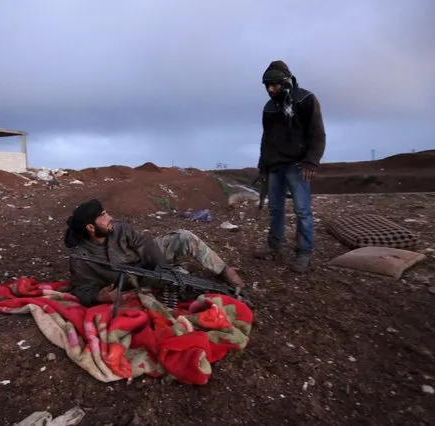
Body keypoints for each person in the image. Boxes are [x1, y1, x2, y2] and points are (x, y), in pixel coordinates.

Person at [64, 199, 246, 307]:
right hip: (132, 279)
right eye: (103, 216)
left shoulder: (119, 229)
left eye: (106, 213)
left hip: (148, 263)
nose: (109, 217)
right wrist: (98, 297)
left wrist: (163, 270)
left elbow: (145, 244)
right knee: (183, 282)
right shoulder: (81, 259)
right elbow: (82, 289)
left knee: (183, 236)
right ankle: (224, 294)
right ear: (90, 227)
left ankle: (224, 270)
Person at [254, 60, 326, 272]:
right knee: (275, 208)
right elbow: (266, 139)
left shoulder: (305, 99)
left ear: (285, 82)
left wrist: (311, 161)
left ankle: (304, 252)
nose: (270, 89)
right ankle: (274, 245)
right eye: (267, 86)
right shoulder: (269, 108)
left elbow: (317, 133)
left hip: (297, 165)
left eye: (274, 85)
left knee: (302, 210)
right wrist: (262, 166)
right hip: (275, 165)